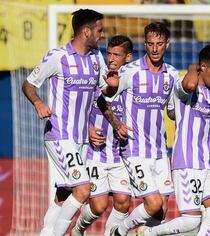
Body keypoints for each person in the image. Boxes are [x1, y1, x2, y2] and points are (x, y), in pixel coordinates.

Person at [136, 44, 210, 236]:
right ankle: (149, 233)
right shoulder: (182, 87)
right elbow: (190, 85)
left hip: (209, 162)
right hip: (187, 162)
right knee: (191, 221)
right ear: (203, 67)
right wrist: (194, 67)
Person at [21, 9, 119, 236]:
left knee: (64, 192)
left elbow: (103, 92)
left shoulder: (96, 58)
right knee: (83, 189)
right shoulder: (57, 57)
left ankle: (46, 232)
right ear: (86, 32)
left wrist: (112, 86)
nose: (102, 35)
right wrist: (38, 103)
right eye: (99, 30)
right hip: (59, 134)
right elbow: (29, 84)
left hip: (82, 138)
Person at [102, 22, 178, 236]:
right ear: (145, 44)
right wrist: (116, 123)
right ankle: (120, 230)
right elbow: (104, 97)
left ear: (167, 44)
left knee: (161, 211)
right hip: (134, 150)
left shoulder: (172, 75)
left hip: (160, 150)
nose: (155, 49)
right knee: (152, 204)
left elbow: (171, 111)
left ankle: (139, 233)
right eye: (151, 44)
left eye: (160, 44)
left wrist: (186, 110)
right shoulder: (130, 71)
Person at [71, 35, 134, 236]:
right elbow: (78, 109)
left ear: (128, 57)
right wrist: (86, 131)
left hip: (120, 154)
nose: (112, 58)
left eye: (117, 54)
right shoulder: (96, 76)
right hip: (95, 153)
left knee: (123, 202)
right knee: (98, 206)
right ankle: (78, 229)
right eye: (109, 53)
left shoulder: (132, 81)